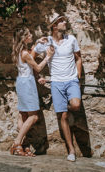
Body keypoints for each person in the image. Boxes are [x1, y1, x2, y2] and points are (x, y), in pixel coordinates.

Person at [32, 13, 82, 162]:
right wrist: (37, 76)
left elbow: (78, 58)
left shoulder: (71, 39)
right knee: (63, 116)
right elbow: (31, 56)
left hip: (71, 81)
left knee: (76, 104)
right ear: (54, 26)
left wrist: (78, 76)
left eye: (64, 20)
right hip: (56, 83)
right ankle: (71, 150)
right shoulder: (46, 42)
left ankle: (63, 106)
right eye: (61, 21)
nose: (64, 22)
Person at [10, 27, 54, 157]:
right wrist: (48, 57)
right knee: (34, 116)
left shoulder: (19, 51)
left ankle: (23, 145)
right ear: (24, 38)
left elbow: (30, 53)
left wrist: (36, 43)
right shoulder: (25, 54)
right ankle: (17, 143)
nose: (31, 35)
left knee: (23, 115)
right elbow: (38, 67)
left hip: (22, 82)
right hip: (27, 84)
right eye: (29, 34)